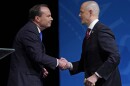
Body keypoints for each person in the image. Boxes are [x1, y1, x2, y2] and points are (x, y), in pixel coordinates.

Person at [61, 1, 122, 86]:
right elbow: (86, 63)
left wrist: (95, 76)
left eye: (81, 12)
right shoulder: (89, 34)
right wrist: (69, 65)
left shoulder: (101, 30)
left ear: (90, 12)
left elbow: (115, 57)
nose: (79, 15)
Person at [7, 4, 66, 86]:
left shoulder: (33, 30)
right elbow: (37, 55)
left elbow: (30, 55)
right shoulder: (29, 31)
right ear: (37, 18)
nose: (51, 19)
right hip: (24, 81)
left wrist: (40, 68)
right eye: (48, 16)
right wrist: (57, 62)